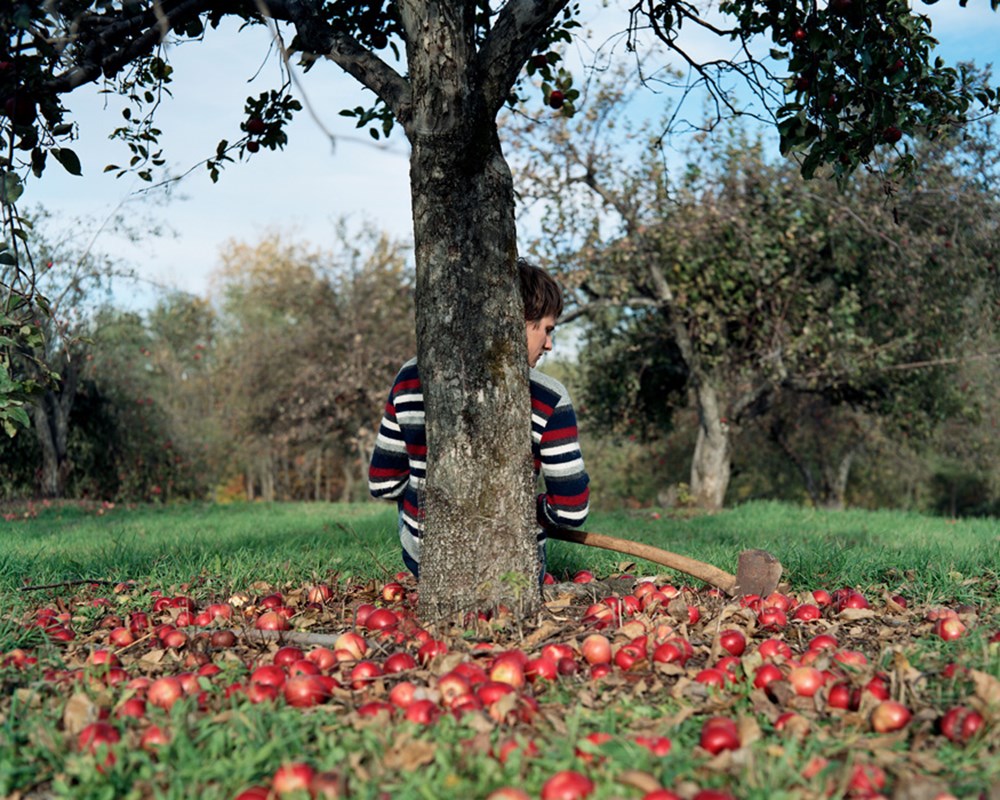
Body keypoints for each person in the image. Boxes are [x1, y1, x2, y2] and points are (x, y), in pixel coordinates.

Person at [368, 259, 590, 580]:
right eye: (546, 329)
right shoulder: (548, 396)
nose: (550, 344)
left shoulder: (410, 376)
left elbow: (384, 484)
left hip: (426, 561)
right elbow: (571, 510)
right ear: (516, 321)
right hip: (512, 567)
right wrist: (531, 510)